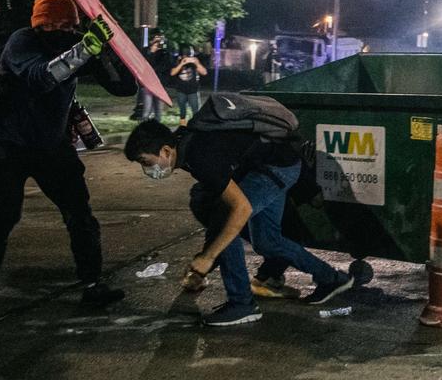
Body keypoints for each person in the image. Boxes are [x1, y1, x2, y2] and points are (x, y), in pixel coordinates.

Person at [0, 0, 137, 327]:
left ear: (74, 24)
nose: (55, 28)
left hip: (52, 147)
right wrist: (85, 50)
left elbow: (124, 88)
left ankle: (93, 283)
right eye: (48, 23)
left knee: (80, 214)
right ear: (37, 22)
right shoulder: (22, 41)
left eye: (63, 24)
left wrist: (108, 48)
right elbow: (42, 77)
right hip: (7, 145)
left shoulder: (80, 43)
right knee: (1, 219)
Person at [123, 115, 355, 327]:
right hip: (274, 165)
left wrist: (208, 258)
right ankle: (331, 279)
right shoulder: (184, 145)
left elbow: (240, 209)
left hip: (275, 169)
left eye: (146, 162)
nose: (148, 170)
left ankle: (242, 303)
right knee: (267, 240)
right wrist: (205, 262)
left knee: (225, 221)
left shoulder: (198, 155)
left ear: (165, 150)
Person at [169, 47, 208, 122]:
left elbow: (204, 72)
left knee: (196, 111)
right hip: (181, 90)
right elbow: (172, 73)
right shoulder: (178, 61)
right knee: (182, 111)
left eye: (190, 56)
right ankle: (183, 125)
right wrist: (181, 63)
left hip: (193, 91)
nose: (188, 58)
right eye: (186, 56)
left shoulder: (194, 62)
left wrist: (196, 63)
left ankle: (196, 125)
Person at [141, 33, 173, 121]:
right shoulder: (146, 51)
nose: (158, 41)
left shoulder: (165, 52)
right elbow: (144, 65)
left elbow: (167, 65)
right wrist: (151, 52)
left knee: (158, 111)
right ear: (151, 40)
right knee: (146, 111)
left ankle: (157, 130)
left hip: (160, 84)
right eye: (156, 39)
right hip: (148, 84)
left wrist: (163, 50)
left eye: (160, 39)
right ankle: (144, 130)